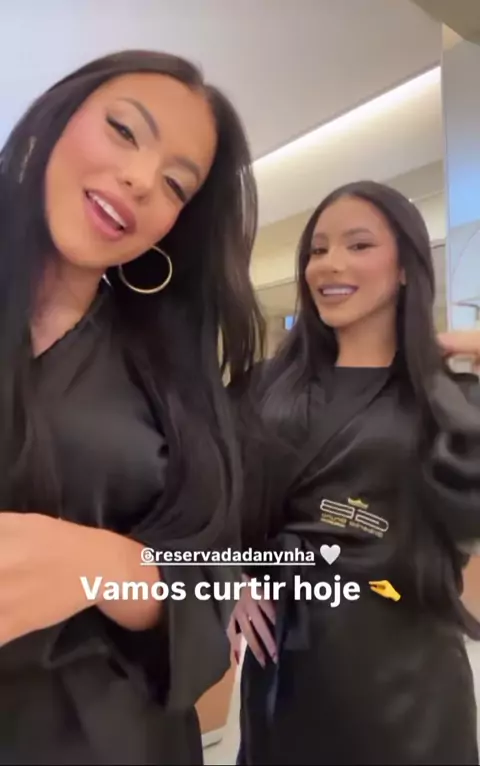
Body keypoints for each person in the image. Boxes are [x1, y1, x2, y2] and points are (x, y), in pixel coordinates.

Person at [0, 49, 264, 764]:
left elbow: (212, 588)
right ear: (53, 121)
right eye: (123, 130)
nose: (142, 180)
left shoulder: (172, 373)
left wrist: (103, 565)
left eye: (175, 184)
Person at [230, 181, 480, 765]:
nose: (330, 264)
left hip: (409, 686)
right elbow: (202, 496)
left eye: (359, 245)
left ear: (406, 269)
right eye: (318, 250)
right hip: (286, 674)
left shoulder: (450, 399)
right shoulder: (262, 389)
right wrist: (229, 577)